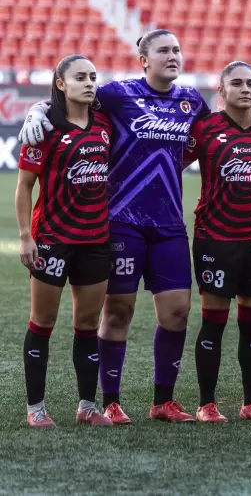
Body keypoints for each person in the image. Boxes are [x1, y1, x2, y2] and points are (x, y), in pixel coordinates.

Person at [18, 30, 212, 423]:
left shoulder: (192, 101)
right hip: (119, 221)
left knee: (177, 313)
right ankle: (108, 401)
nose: (173, 55)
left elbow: (212, 135)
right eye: (164, 50)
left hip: (169, 221)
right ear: (144, 59)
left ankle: (163, 402)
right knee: (117, 312)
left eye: (177, 49)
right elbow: (70, 97)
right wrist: (36, 110)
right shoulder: (118, 93)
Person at [185, 62, 251, 423]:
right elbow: (169, 162)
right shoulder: (204, 128)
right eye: (236, 83)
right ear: (222, 90)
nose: (245, 89)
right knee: (213, 323)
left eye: (250, 83)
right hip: (215, 237)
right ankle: (207, 404)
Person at [16, 55, 113, 427]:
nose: (89, 83)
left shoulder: (105, 123)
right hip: (53, 239)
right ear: (60, 83)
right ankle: (36, 410)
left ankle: (87, 407)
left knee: (88, 323)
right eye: (79, 77)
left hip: (96, 239)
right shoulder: (44, 128)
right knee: (43, 322)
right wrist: (26, 237)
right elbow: (23, 188)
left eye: (92, 76)